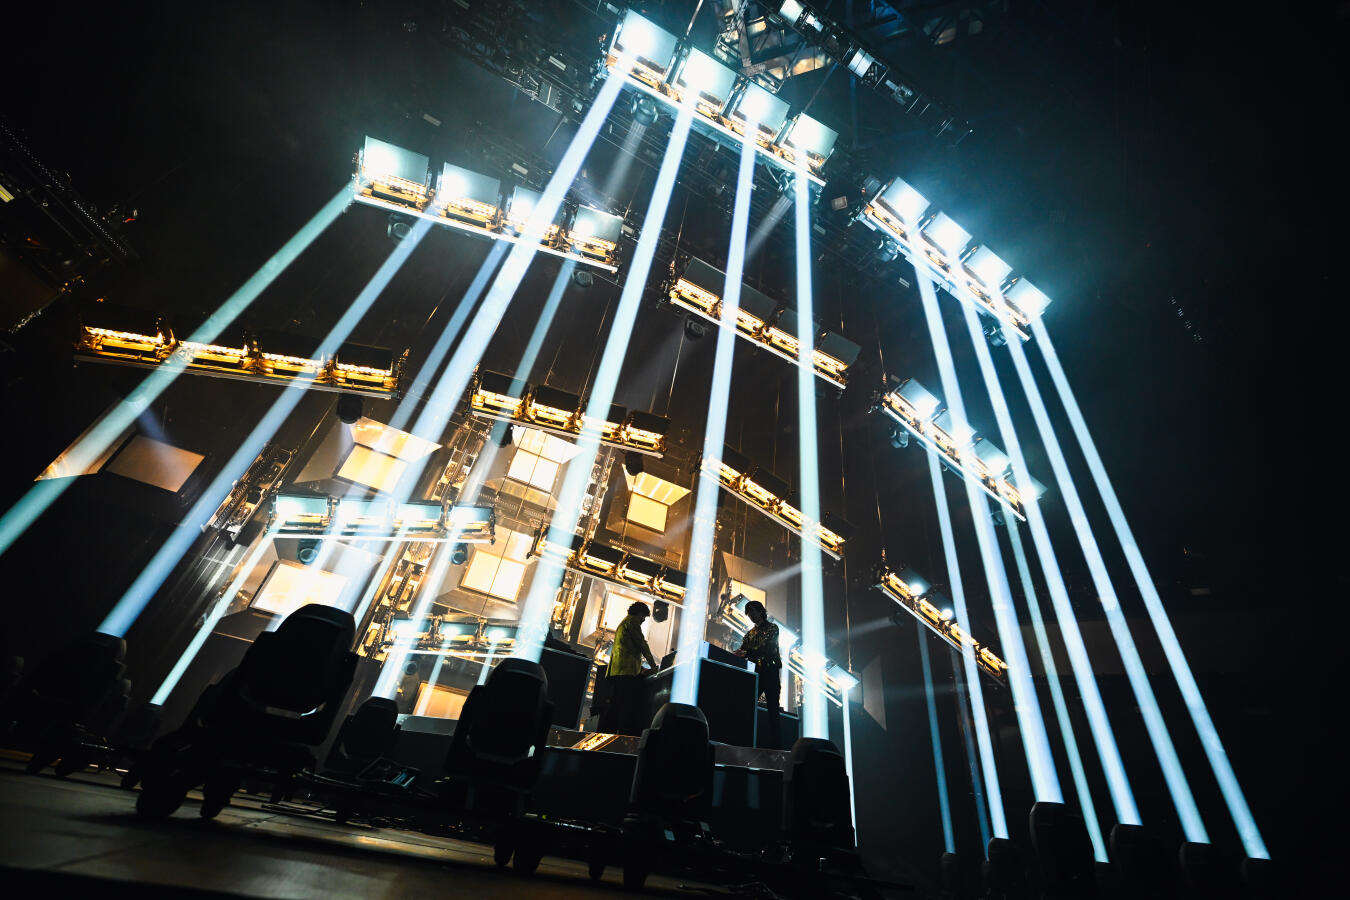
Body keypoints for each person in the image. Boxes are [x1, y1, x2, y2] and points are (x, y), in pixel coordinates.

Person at [600, 601, 658, 735]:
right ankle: (620, 736)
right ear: (639, 613)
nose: (643, 620)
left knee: (616, 705)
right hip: (626, 671)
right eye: (643, 616)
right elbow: (641, 643)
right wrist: (653, 665)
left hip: (618, 670)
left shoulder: (624, 622)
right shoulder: (632, 622)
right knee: (625, 707)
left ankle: (605, 735)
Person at [734, 599, 782, 749]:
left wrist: (746, 652)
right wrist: (740, 653)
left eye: (753, 612)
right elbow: (744, 650)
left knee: (773, 709)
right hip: (756, 674)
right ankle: (745, 740)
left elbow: (767, 648)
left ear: (761, 611)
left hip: (771, 673)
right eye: (749, 614)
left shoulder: (773, 628)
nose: (751, 616)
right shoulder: (749, 634)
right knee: (748, 704)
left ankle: (776, 745)